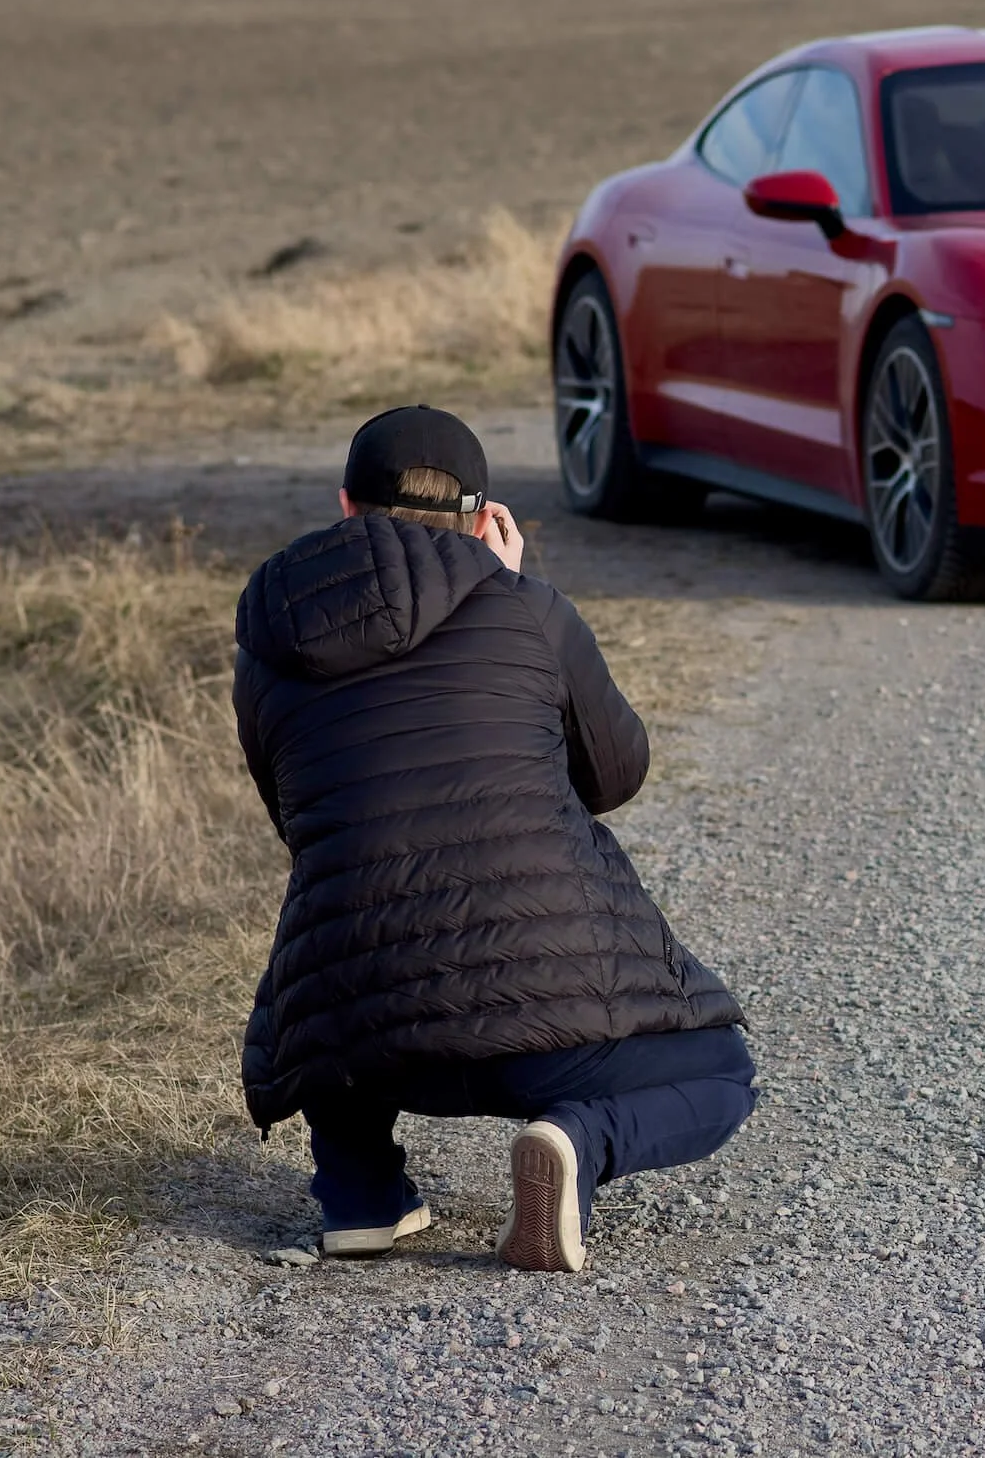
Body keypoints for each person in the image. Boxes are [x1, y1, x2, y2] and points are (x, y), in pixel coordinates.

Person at [232, 405, 751, 1271]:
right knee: (723, 1073)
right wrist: (507, 588)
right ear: (484, 520)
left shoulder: (270, 643)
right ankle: (581, 1139)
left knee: (342, 903)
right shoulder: (529, 611)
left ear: (346, 507)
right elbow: (615, 776)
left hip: (364, 1046)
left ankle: (360, 1196)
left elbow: (299, 820)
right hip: (545, 1045)